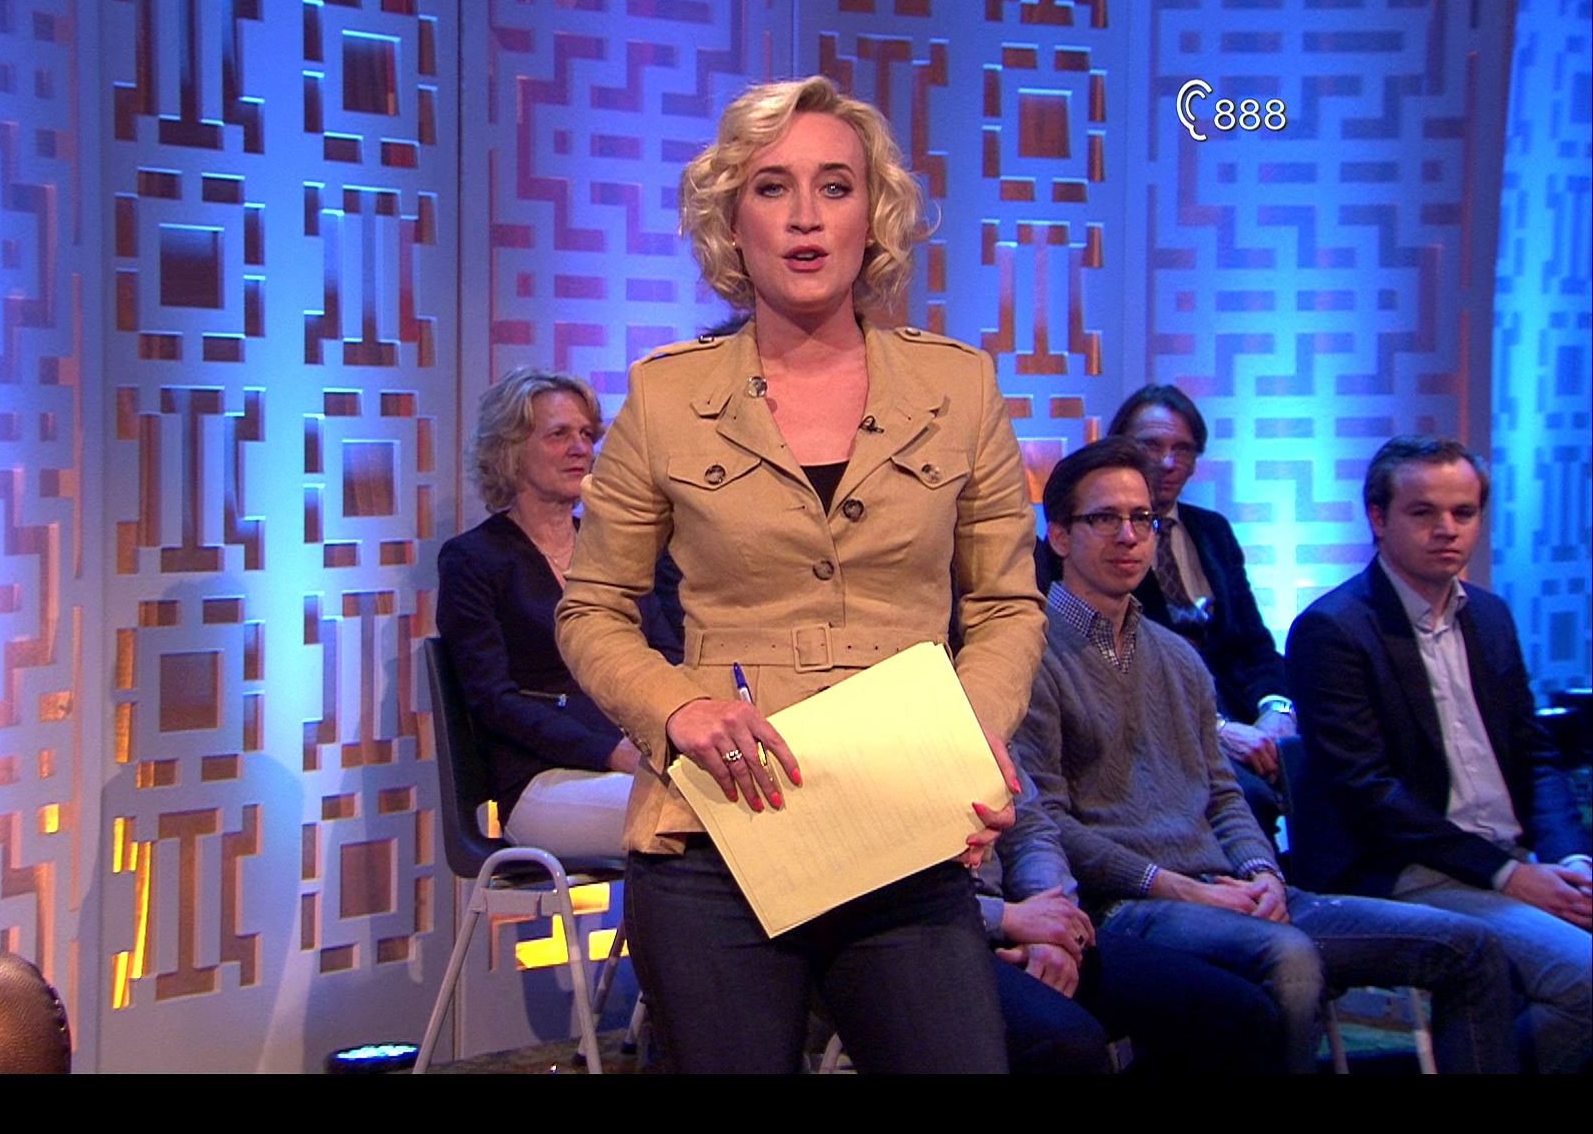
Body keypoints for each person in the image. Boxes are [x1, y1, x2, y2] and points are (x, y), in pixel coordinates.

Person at [555, 76, 1047, 1073]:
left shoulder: (959, 386)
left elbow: (1006, 605)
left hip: (904, 816)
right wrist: (677, 711)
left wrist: (972, 736)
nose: (807, 216)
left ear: (876, 213)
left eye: (836, 186)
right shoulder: (665, 396)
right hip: (716, 829)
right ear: (732, 221)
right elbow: (592, 608)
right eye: (773, 187)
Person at [1013, 438, 1519, 1073]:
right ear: (1060, 536)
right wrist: (1174, 886)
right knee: (1287, 957)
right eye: (1104, 519)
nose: (1129, 536)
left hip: (1228, 890)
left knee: (1470, 946)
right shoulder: (1030, 656)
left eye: (1142, 518)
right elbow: (1047, 821)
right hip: (1129, 903)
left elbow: (1223, 794)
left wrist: (1264, 875)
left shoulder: (1177, 656)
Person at [1286, 435, 1592, 1072]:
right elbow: (1371, 794)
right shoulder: (1333, 629)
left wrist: (1571, 859)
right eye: (1424, 512)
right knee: (1585, 980)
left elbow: (1536, 756)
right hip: (1409, 874)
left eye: (1464, 512)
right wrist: (1509, 876)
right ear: (1378, 517)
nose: (1447, 529)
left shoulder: (1492, 616)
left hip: (1512, 860)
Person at [436, 368, 680, 861]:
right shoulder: (474, 560)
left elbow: (668, 656)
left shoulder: (617, 548)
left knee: (741, 800)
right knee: (695, 815)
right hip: (543, 781)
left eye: (587, 434)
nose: (580, 448)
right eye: (559, 434)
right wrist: (607, 752)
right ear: (511, 449)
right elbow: (493, 699)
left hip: (645, 762)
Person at [980, 774, 1285, 1073]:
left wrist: (1053, 919)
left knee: (1243, 1015)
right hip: (965, 929)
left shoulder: (991, 740)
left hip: (1032, 914)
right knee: (1069, 1043)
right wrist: (1007, 917)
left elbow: (1030, 831)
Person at [1102, 384, 1291, 838]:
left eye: (1182, 450)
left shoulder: (1213, 531)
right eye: (1151, 446)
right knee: (1250, 798)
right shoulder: (1101, 538)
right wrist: (1219, 730)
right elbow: (1120, 668)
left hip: (1242, 712)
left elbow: (1255, 645)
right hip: (1160, 728)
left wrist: (1276, 710)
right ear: (1120, 449)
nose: (1167, 462)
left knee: (1326, 773)